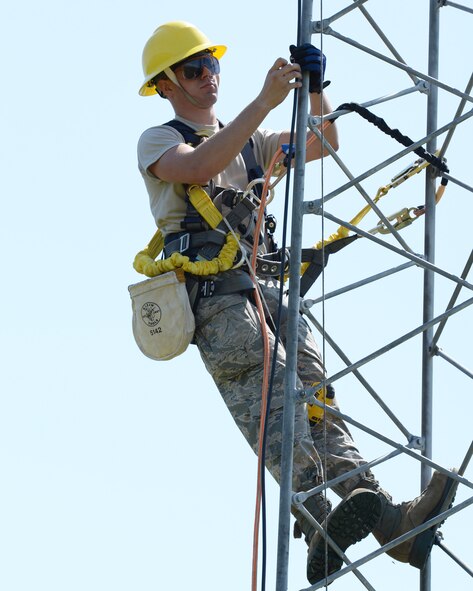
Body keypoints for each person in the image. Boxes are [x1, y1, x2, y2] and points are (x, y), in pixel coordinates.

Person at [136, 21, 455, 585]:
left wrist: (313, 86)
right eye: (193, 69)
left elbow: (323, 142)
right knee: (277, 398)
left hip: (264, 292)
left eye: (212, 65)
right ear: (165, 85)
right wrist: (266, 99)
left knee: (312, 394)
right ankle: (314, 513)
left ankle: (383, 517)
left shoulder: (254, 144)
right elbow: (199, 167)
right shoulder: (160, 141)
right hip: (217, 304)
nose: (208, 76)